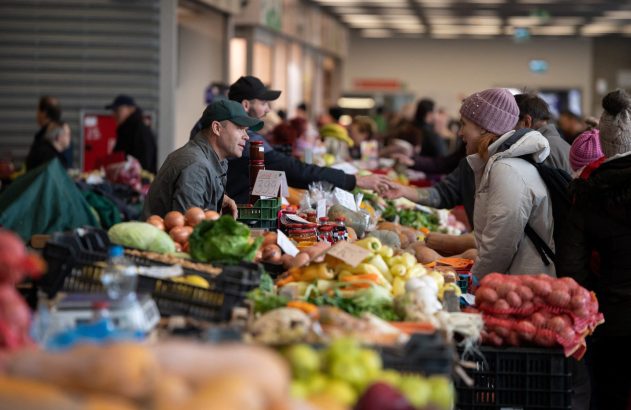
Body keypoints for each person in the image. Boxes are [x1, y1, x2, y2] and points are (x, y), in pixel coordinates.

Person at [388, 88, 555, 278]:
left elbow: (499, 246)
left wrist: (474, 282)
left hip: (520, 282)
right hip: (511, 277)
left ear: (483, 127)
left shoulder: (506, 170)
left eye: (464, 124)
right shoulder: (493, 164)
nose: (459, 133)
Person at [556, 89, 631, 410]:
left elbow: (572, 268)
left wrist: (588, 312)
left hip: (611, 319)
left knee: (607, 396)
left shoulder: (587, 195)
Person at [223, 75, 393, 204]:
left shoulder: (226, 128)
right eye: (264, 103)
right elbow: (288, 168)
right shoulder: (246, 138)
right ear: (246, 105)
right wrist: (354, 180)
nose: (268, 110)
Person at [143, 99, 262, 218]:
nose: (246, 137)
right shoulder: (197, 166)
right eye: (240, 128)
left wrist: (221, 198)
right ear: (216, 128)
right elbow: (189, 226)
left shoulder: (211, 159)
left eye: (246, 131)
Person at [514, 93, 572, 173]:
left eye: (512, 122)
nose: (508, 128)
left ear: (527, 122)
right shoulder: (564, 145)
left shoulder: (538, 151)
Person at [106, 95, 157, 173]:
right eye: (113, 111)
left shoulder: (140, 130)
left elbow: (144, 163)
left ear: (131, 109)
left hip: (138, 182)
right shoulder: (125, 130)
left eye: (117, 110)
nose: (114, 114)